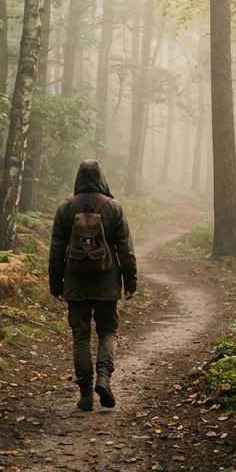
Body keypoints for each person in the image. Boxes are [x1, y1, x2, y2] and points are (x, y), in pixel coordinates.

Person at [49, 160, 137, 412]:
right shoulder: (113, 208)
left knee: (81, 336)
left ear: (78, 178)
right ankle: (104, 378)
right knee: (108, 331)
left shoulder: (66, 208)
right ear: (102, 178)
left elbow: (56, 251)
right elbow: (125, 249)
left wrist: (56, 285)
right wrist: (130, 282)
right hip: (107, 283)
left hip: (75, 284)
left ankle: (86, 393)